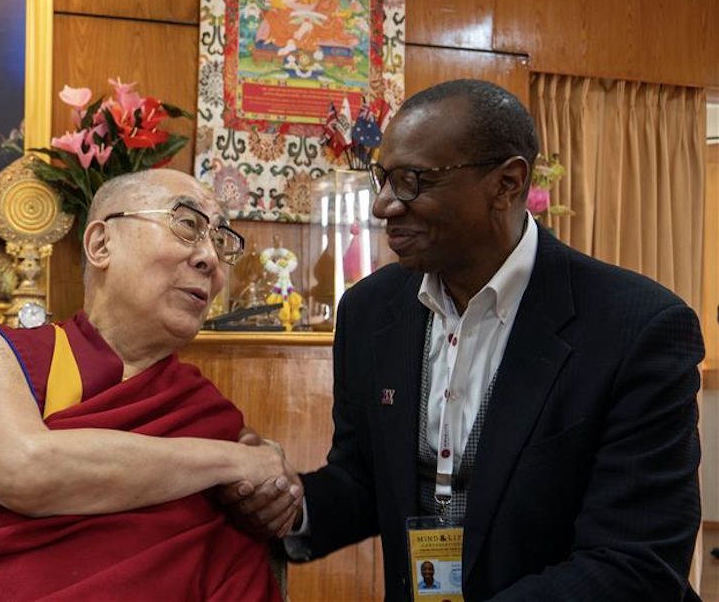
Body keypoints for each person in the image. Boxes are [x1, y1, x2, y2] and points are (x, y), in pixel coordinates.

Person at [221, 80, 704, 601]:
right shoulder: (369, 313)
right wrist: (288, 502)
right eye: (382, 178)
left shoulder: (635, 328)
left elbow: (634, 564)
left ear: (507, 184)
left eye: (412, 181)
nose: (384, 205)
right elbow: (364, 479)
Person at [0, 169, 302, 601]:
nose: (209, 259)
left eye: (221, 242)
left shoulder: (205, 413)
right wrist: (232, 460)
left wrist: (272, 496)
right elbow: (24, 469)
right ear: (100, 245)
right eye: (188, 225)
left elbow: (251, 513)